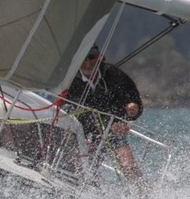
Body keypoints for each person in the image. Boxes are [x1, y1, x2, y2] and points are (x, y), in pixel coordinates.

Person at [62, 45, 146, 189]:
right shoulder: (70, 79)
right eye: (83, 58)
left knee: (128, 164)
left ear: (99, 57)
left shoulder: (113, 74)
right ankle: (88, 190)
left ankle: (144, 193)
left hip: (111, 127)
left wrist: (132, 110)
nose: (87, 62)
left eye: (91, 57)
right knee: (83, 161)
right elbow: (63, 105)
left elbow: (134, 100)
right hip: (81, 129)